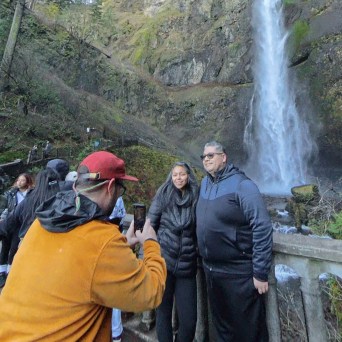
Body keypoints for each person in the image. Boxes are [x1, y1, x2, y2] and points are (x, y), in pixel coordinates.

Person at [0, 150, 166, 341]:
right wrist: (151, 243)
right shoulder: (102, 240)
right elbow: (151, 292)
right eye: (121, 188)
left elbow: (77, 268)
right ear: (111, 186)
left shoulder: (45, 219)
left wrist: (123, 246)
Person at [196, 141, 273, 342]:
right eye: (204, 156)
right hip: (212, 271)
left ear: (224, 157)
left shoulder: (243, 185)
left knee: (248, 330)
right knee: (222, 328)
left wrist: (260, 271)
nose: (206, 159)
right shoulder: (205, 184)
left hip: (239, 274)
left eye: (211, 155)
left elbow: (262, 226)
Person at [149, 161, 199, 342]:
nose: (178, 178)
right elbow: (150, 226)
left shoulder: (196, 196)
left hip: (187, 266)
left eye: (182, 174)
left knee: (189, 320)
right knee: (163, 314)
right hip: (164, 264)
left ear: (189, 176)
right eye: (175, 174)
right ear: (171, 176)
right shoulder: (163, 195)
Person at [0, 173, 34, 287]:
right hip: (8, 222)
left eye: (22, 180)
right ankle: (1, 272)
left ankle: (10, 271)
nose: (19, 182)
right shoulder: (11, 193)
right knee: (5, 247)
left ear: (28, 182)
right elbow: (6, 208)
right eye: (18, 180)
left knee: (14, 248)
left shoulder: (31, 194)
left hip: (20, 224)